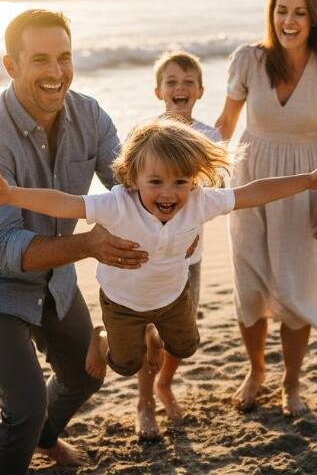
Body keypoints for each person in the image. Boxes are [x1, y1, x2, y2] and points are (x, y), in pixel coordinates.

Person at [0, 120, 317, 423]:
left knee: (186, 347)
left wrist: (310, 181)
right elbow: (64, 204)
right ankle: (101, 337)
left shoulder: (200, 202)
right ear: (132, 179)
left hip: (172, 297)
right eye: (156, 182)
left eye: (181, 182)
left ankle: (155, 338)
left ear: (194, 181)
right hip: (122, 304)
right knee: (126, 366)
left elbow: (254, 193)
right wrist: (12, 195)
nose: (169, 193)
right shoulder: (116, 205)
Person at [0, 8, 149, 475]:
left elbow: (128, 187)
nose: (56, 73)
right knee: (23, 406)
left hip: (54, 275)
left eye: (64, 57)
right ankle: (30, 432)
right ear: (10, 66)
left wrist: (173, 197)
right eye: (40, 60)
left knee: (84, 374)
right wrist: (92, 245)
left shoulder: (90, 116)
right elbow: (6, 249)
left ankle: (44, 440)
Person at [214, 0, 317, 416]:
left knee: (295, 288)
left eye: (298, 12)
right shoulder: (248, 61)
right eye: (281, 11)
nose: (287, 21)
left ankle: (291, 383)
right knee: (250, 284)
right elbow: (224, 127)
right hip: (248, 181)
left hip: (303, 183)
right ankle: (255, 371)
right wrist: (197, 173)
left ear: (314, 19)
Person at [128, 50, 220, 439]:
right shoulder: (144, 134)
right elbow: (128, 190)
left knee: (179, 338)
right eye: (171, 82)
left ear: (200, 90)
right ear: (158, 91)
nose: (179, 89)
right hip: (148, 255)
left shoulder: (209, 137)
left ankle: (166, 381)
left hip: (188, 257)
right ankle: (145, 401)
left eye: (187, 82)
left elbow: (216, 192)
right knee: (149, 334)